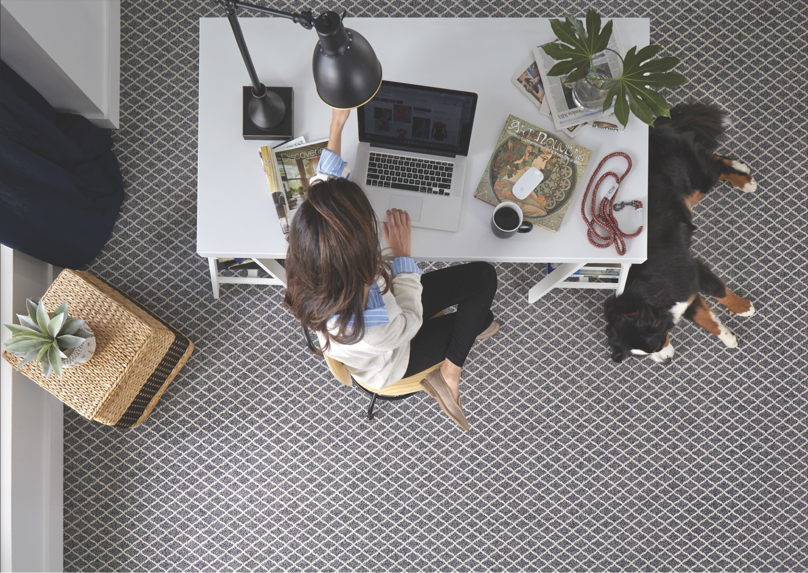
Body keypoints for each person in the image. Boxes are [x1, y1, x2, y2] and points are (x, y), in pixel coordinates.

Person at [284, 108, 499, 430]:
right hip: (394, 356)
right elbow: (408, 318)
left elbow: (323, 188)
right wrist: (402, 255)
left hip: (379, 310)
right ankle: (449, 373)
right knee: (482, 316)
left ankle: (456, 353)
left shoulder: (311, 247)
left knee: (482, 279)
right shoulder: (373, 331)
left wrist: (337, 124)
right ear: (356, 257)